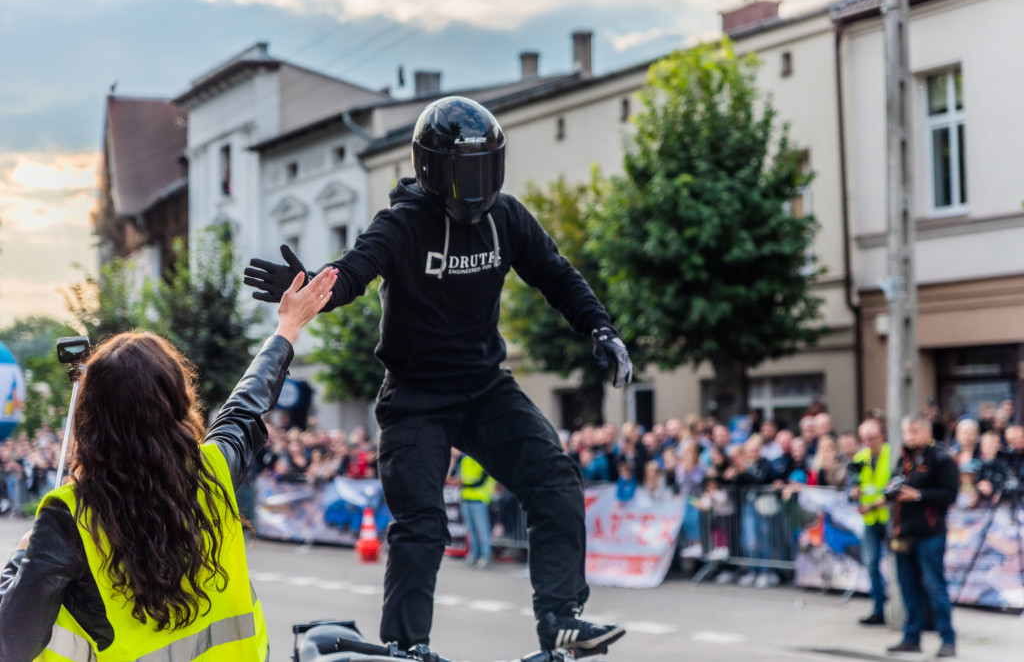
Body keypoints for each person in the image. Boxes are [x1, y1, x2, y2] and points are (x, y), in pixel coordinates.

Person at [244, 96, 630, 655]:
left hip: (485, 386)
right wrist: (307, 285)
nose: (474, 185)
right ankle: (405, 647)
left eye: (483, 169)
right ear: (431, 171)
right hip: (415, 397)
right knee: (421, 522)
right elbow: (353, 272)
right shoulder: (402, 224)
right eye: (461, 172)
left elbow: (556, 274)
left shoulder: (508, 218)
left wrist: (600, 328)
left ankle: (561, 617)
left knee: (554, 480)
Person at [0, 266, 338, 661]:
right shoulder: (214, 468)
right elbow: (246, 403)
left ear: (91, 418)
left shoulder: (69, 517)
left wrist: (23, 555)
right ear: (177, 402)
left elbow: (11, 643)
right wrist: (286, 329)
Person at [886, 415, 958, 658]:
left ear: (927, 433)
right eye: (907, 431)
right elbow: (896, 488)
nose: (910, 436)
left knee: (935, 588)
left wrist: (917, 495)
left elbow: (949, 494)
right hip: (904, 534)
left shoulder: (941, 459)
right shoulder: (903, 459)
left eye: (914, 431)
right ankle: (911, 638)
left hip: (930, 534)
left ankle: (947, 639)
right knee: (909, 589)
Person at [848, 417, 891, 626]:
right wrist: (854, 492)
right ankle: (878, 609)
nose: (869, 442)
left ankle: (906, 609)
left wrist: (873, 504)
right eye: (865, 439)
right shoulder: (860, 457)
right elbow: (853, 486)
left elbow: (895, 489)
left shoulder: (892, 454)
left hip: (890, 517)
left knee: (900, 567)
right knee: (871, 564)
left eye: (872, 438)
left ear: (881, 436)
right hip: (870, 519)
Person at [458, 452, 496, 569]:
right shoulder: (464, 460)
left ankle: (485, 556)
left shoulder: (485, 459)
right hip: (466, 498)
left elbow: (481, 481)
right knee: (471, 531)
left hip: (480, 499)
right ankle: (474, 554)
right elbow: (459, 476)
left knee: (482, 530)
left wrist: (463, 484)